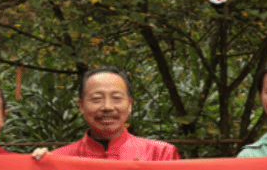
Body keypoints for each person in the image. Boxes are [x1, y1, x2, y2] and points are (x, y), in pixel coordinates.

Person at [33, 66, 180, 161]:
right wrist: (40, 165)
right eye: (97, 99)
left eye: (116, 98)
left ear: (129, 105)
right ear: (81, 106)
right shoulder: (60, 159)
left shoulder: (160, 154)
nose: (107, 107)